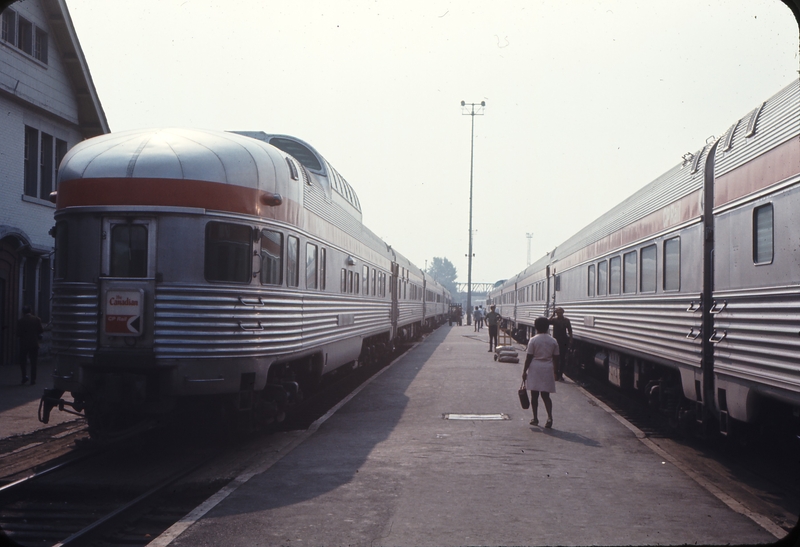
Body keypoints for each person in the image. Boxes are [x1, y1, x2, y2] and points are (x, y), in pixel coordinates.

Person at [522, 316, 559, 428]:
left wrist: (524, 371)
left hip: (535, 368)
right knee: (546, 395)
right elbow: (556, 358)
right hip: (548, 368)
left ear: (536, 326)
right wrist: (555, 372)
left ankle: (535, 418)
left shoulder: (533, 340)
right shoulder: (553, 341)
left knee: (534, 396)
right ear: (548, 327)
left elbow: (529, 357)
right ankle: (549, 417)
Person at [17, 306, 44, 385]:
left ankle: (24, 376)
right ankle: (33, 379)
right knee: (34, 362)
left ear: (23, 312)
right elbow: (41, 330)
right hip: (34, 343)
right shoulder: (37, 319)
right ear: (31, 311)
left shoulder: (20, 321)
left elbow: (18, 333)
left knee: (23, 361)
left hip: (23, 344)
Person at [549, 307, 573, 381]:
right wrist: (552, 315)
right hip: (555, 341)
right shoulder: (554, 320)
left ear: (563, 313)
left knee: (562, 358)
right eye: (558, 313)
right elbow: (547, 322)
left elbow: (570, 331)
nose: (559, 314)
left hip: (563, 341)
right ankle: (555, 373)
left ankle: (560, 375)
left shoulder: (566, 321)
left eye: (560, 313)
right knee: (555, 358)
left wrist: (570, 340)